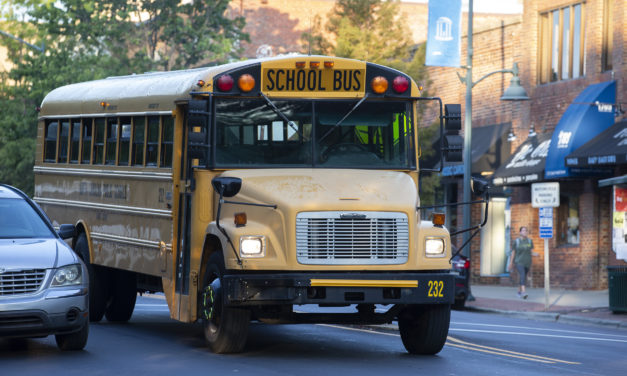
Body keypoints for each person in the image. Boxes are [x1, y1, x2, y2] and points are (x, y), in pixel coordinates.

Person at [509, 226, 534, 299]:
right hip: (518, 262)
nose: (525, 232)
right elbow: (513, 252)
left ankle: (518, 292)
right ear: (520, 232)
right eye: (523, 230)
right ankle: (523, 292)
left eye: (526, 230)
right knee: (522, 275)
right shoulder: (516, 241)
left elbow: (530, 251)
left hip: (527, 262)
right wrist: (511, 263)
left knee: (523, 277)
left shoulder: (530, 241)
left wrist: (535, 254)